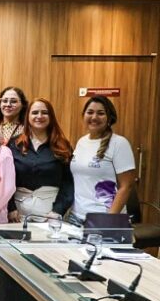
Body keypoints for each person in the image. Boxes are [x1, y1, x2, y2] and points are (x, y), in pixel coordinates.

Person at [69, 95, 136, 226]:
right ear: (83, 115)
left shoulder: (119, 143)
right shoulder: (81, 141)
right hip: (76, 217)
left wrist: (108, 220)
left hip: (104, 218)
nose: (94, 117)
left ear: (109, 118)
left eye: (100, 113)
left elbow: (126, 186)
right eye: (90, 112)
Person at [7, 98, 74, 223]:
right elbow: (5, 180)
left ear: (51, 117)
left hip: (51, 214)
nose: (39, 116)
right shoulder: (14, 144)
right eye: (35, 112)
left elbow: (68, 183)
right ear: (28, 116)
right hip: (17, 214)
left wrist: (58, 211)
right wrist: (11, 208)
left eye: (44, 112)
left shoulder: (63, 146)